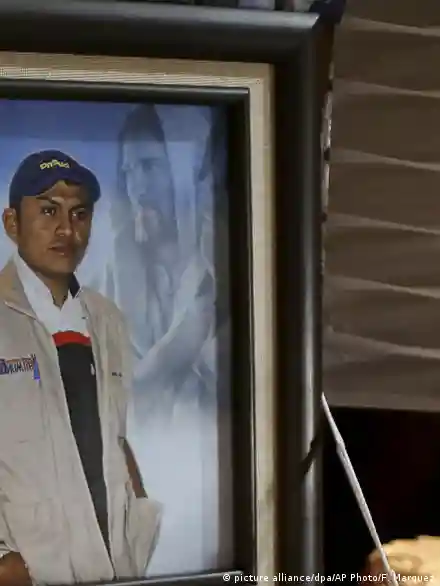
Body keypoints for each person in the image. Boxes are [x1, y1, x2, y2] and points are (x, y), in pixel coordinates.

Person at [0, 150, 162, 586]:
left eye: (80, 214)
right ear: (12, 223)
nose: (66, 230)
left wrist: (138, 510)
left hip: (113, 567)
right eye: (48, 211)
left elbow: (115, 435)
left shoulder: (107, 318)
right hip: (31, 571)